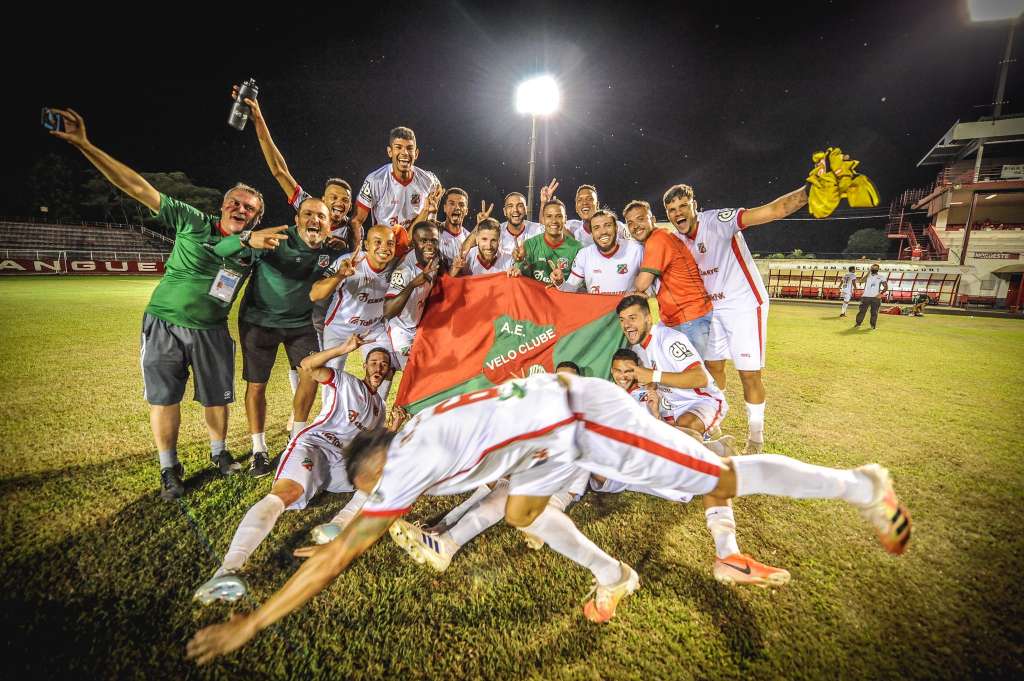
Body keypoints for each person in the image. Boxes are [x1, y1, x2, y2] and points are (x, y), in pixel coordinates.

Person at [187, 372, 911, 664]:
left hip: (585, 420)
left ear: (377, 465)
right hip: (547, 434)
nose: (374, 499)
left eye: (369, 486)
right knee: (527, 512)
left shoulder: (401, 467)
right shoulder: (417, 437)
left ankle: (860, 484)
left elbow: (338, 554)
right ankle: (611, 571)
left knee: (714, 478)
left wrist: (252, 624)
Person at [49, 108, 286, 499]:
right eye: (236, 203)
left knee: (216, 397)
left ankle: (219, 453)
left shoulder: (256, 248)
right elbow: (137, 187)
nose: (241, 210)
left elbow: (292, 245)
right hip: (164, 323)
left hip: (211, 329)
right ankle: (168, 467)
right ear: (223, 205)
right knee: (164, 398)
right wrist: (84, 144)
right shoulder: (192, 220)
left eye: (250, 209)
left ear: (257, 218)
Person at [191, 335, 391, 604]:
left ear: (389, 371)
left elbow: (373, 449)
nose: (378, 368)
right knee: (285, 494)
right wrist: (343, 349)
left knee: (383, 473)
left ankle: (337, 526)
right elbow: (308, 365)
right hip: (316, 445)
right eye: (374, 362)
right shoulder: (346, 382)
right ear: (365, 366)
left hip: (340, 464)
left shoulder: (380, 409)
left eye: (384, 364)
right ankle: (228, 568)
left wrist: (392, 430)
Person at [663, 182, 809, 453]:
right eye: (672, 209)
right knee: (712, 369)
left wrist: (808, 191)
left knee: (749, 374)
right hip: (709, 310)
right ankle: (713, 420)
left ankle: (756, 437)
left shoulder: (718, 221)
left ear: (695, 206)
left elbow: (773, 210)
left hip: (743, 304)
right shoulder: (674, 239)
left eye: (683, 205)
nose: (678, 213)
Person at [222, 197, 346, 475]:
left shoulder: (333, 249)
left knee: (311, 373)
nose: (314, 221)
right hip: (258, 322)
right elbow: (230, 256)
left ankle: (297, 438)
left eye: (321, 217)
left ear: (330, 224)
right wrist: (245, 240)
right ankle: (259, 450)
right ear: (297, 218)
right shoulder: (275, 239)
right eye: (308, 214)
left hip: (300, 323)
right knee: (256, 385)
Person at [626, 199, 714, 356]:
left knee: (692, 374)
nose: (635, 226)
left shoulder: (657, 239)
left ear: (652, 220)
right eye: (630, 222)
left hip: (689, 317)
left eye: (640, 219)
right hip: (687, 315)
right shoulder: (661, 236)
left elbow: (642, 283)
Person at [351, 126, 441, 257]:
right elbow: (356, 221)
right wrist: (356, 254)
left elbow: (432, 210)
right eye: (398, 147)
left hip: (413, 250)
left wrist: (431, 213)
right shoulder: (375, 180)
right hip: (384, 249)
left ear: (416, 153)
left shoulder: (428, 181)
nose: (404, 152)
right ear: (390, 151)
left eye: (409, 148)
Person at [384, 222, 443, 370]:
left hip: (418, 326)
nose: (429, 246)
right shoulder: (404, 271)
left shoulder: (435, 259)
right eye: (423, 241)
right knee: (413, 374)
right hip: (400, 330)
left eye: (434, 241)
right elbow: (388, 311)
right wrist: (412, 285)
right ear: (414, 243)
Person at [550, 209, 644, 294]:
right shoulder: (584, 254)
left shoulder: (636, 250)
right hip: (600, 312)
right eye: (596, 228)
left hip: (627, 311)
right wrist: (560, 282)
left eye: (607, 225)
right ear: (591, 233)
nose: (603, 232)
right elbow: (570, 289)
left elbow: (651, 287)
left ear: (616, 228)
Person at [512, 199, 582, 285]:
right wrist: (519, 262)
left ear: (565, 219)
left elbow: (580, 286)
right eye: (549, 216)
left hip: (563, 296)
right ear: (543, 219)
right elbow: (520, 278)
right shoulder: (529, 245)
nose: (554, 221)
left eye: (559, 216)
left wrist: (562, 283)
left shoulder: (577, 248)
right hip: (537, 296)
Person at [565, 184, 631, 247]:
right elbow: (557, 225)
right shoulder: (573, 227)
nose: (584, 203)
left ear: (597, 205)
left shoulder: (618, 227)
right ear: (576, 207)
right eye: (580, 200)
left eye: (589, 199)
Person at [437, 188, 472, 262]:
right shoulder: (435, 232)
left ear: (466, 211)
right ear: (445, 208)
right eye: (452, 203)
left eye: (461, 205)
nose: (457, 207)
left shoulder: (469, 238)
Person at [856, 264, 888, 329]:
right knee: (862, 311)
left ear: (878, 269)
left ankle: (873, 326)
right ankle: (858, 323)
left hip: (875, 298)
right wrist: (868, 273)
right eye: (873, 268)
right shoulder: (868, 276)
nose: (874, 269)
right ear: (871, 268)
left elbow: (886, 287)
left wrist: (880, 294)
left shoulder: (881, 277)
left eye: (876, 268)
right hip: (865, 297)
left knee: (874, 312)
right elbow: (861, 281)